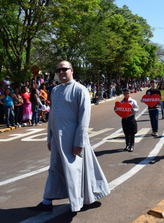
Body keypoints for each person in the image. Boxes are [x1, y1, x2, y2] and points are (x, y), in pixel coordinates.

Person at [30, 61, 110, 213]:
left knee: (74, 170)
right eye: (58, 70)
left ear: (71, 70)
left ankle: (76, 203)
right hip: (56, 138)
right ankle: (47, 201)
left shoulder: (80, 90)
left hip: (72, 138)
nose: (61, 72)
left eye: (64, 69)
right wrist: (49, 138)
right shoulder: (55, 90)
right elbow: (52, 115)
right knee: (54, 167)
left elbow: (84, 118)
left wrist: (78, 141)